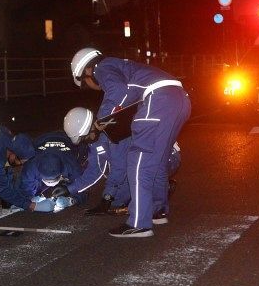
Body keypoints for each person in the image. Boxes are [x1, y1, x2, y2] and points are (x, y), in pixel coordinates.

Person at [70, 48, 191, 238]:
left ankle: (139, 224)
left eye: (85, 83)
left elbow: (118, 91)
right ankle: (157, 211)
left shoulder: (102, 67)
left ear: (86, 71)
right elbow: (125, 98)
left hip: (158, 98)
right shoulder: (121, 65)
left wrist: (101, 120)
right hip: (179, 99)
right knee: (157, 161)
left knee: (138, 161)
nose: (94, 86)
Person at [61, 106, 181, 218]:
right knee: (118, 200)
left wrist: (106, 198)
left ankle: (161, 189)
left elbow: (120, 168)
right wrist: (69, 189)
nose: (84, 142)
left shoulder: (115, 128)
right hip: (145, 159)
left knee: (126, 184)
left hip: (166, 157)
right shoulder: (96, 138)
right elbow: (95, 170)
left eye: (83, 138)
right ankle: (151, 189)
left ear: (89, 129)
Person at [16, 131, 83, 212]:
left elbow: (83, 186)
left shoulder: (72, 165)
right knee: (28, 185)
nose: (51, 184)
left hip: (65, 139)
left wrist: (71, 200)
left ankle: (64, 184)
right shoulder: (31, 166)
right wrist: (31, 199)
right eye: (48, 181)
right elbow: (25, 187)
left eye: (53, 181)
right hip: (41, 139)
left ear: (61, 174)